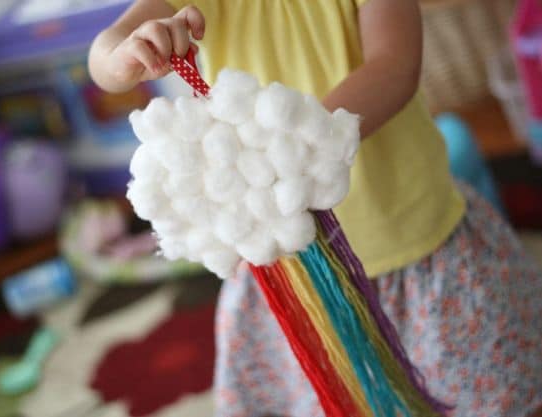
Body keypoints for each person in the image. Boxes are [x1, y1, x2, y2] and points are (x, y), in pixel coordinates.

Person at [88, 1, 542, 416]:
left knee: (491, 394)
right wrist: (125, 53)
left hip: (415, 240)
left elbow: (394, 67)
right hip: (292, 262)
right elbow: (104, 54)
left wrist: (294, 149)